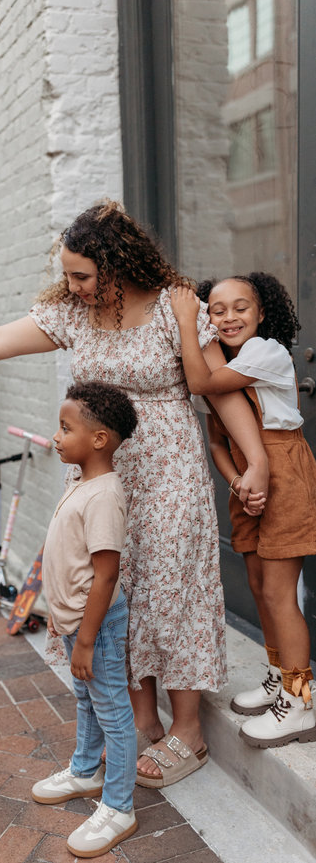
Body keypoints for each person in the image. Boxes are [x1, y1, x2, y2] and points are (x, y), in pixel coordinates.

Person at [0, 200, 270, 787]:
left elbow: (221, 392)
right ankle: (141, 721)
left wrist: (255, 460)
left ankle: (188, 729)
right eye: (68, 273)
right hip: (101, 477)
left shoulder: (171, 309)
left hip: (168, 474)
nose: (72, 284)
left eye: (82, 274)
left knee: (174, 590)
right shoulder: (74, 314)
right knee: (112, 591)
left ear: (116, 265)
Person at [171, 273, 316, 748]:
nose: (229, 317)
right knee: (256, 584)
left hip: (285, 473)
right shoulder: (233, 363)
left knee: (279, 593)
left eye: (240, 308)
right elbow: (217, 438)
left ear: (261, 313)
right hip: (245, 479)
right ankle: (278, 674)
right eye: (217, 309)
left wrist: (186, 321)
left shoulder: (265, 354)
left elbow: (199, 380)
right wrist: (237, 481)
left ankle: (300, 702)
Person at [31, 381, 138, 857]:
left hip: (98, 628)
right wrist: (61, 618)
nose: (56, 436)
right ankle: (84, 771)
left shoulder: (103, 495)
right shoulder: (82, 483)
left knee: (114, 713)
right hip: (77, 623)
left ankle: (119, 806)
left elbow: (106, 574)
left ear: (99, 439)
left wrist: (87, 640)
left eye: (65, 427)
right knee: (87, 700)